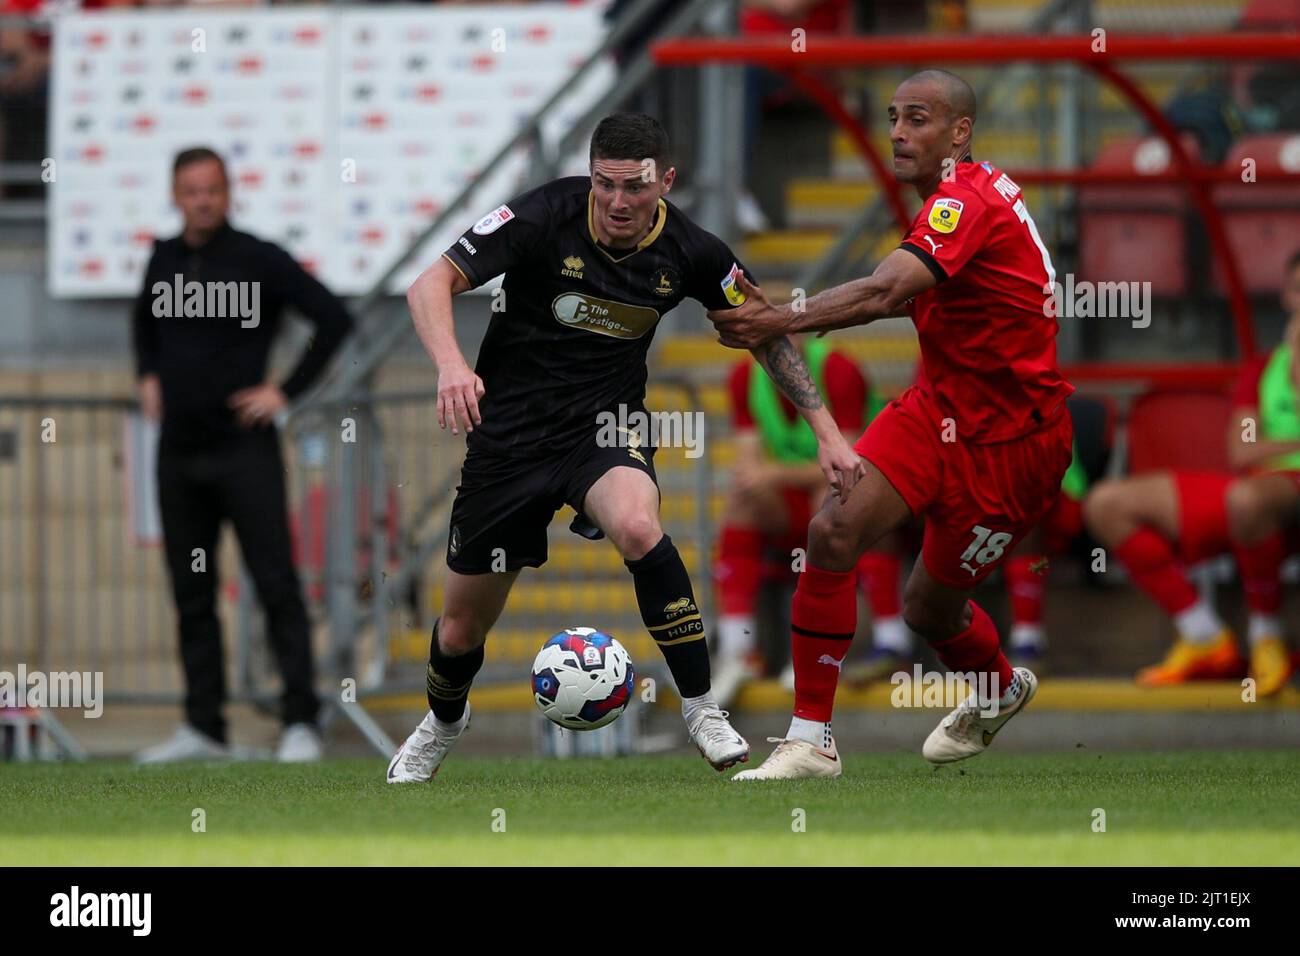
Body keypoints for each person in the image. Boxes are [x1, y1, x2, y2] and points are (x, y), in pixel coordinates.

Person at [387, 113, 862, 784]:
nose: (616, 202)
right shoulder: (543, 214)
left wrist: (829, 433)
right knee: (461, 628)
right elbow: (428, 283)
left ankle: (701, 707)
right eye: (604, 184)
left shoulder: (693, 251)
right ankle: (442, 721)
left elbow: (763, 330)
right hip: (511, 438)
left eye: (634, 188)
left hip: (603, 429)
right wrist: (450, 365)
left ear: (664, 182)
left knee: (639, 525)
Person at [709, 70, 1075, 778]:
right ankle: (810, 739)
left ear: (959, 132)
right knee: (833, 528)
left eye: (919, 119)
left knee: (930, 610)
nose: (899, 133)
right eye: (893, 118)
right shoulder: (952, 201)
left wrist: (779, 316)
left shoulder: (962, 203)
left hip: (1014, 444)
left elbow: (883, 290)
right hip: (935, 410)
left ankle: (999, 686)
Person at [133, 147, 354, 763]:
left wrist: (283, 392)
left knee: (277, 582)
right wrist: (147, 374)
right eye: (191, 191)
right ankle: (204, 726)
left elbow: (334, 318)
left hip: (243, 452)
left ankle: (300, 722)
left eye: (212, 189)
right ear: (176, 196)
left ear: (229, 193)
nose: (202, 200)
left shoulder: (258, 258)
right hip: (178, 453)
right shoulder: (164, 257)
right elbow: (144, 326)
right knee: (191, 590)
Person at [1083, 252, 1300, 697]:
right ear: (1287, 296)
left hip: (1272, 493)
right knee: (1106, 504)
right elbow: (1243, 450)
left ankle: (1265, 635)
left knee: (1247, 499)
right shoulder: (1263, 368)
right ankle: (1205, 637)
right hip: (1259, 496)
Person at [714, 337, 904, 705]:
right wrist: (770, 476)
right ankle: (737, 652)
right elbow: (747, 464)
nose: (775, 348)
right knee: (742, 502)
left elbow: (847, 463)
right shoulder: (743, 376)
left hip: (871, 488)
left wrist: (772, 474)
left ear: (800, 334)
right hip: (795, 496)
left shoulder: (838, 369)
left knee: (835, 500)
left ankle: (869, 644)